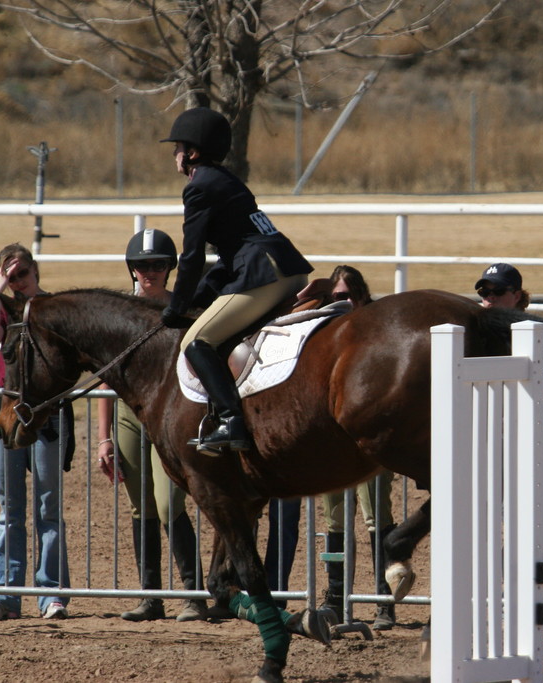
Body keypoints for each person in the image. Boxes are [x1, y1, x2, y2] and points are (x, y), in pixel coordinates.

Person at [158, 106, 313, 454]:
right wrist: (201, 296)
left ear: (192, 153)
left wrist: (177, 306)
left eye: (177, 147)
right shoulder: (225, 179)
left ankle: (231, 420)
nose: (174, 154)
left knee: (196, 342)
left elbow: (193, 255)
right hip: (286, 270)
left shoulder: (198, 187)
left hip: (263, 276)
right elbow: (229, 253)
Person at [96, 230, 208, 622]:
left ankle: (194, 594)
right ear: (132, 268)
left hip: (167, 415)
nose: (150, 272)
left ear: (170, 268)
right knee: (140, 506)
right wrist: (103, 437)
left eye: (158, 264)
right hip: (128, 412)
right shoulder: (120, 314)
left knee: (167, 502)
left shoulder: (182, 310)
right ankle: (151, 595)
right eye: (143, 265)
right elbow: (108, 379)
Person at [474, 263, 543, 548]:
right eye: (484, 291)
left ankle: (532, 573)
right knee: (506, 518)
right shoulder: (472, 332)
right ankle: (511, 576)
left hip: (532, 435)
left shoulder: (533, 334)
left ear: (517, 296)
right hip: (490, 441)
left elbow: (541, 370)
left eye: (498, 291)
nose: (489, 297)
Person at [314, 265, 399, 631]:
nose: (342, 302)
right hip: (330, 445)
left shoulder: (378, 337)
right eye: (336, 297)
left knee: (376, 517)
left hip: (368, 445)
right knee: (334, 520)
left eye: (348, 296)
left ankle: (384, 601)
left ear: (362, 297)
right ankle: (335, 598)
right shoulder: (321, 337)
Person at [0, 243, 72, 620]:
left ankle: (50, 594)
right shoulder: (1, 311)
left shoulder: (53, 307)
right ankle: (7, 594)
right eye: (11, 277)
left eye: (22, 273)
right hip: (6, 414)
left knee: (49, 507)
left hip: (47, 416)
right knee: (9, 508)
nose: (18, 282)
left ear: (35, 271)